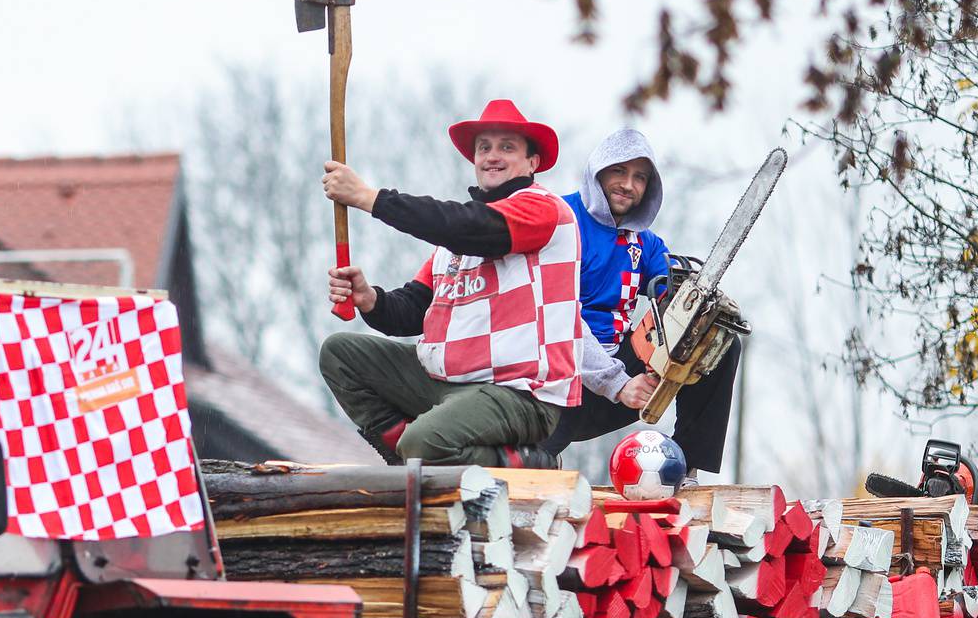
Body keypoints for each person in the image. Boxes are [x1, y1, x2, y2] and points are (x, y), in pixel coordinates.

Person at [316, 99, 626, 469]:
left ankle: (525, 462)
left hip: (520, 394)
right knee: (340, 354)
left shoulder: (544, 209)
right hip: (450, 387)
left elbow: (473, 228)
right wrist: (370, 299)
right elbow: (413, 310)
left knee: (424, 440)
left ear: (533, 162)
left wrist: (370, 198)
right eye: (484, 148)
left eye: (506, 147)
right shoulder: (454, 242)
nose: (492, 156)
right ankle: (410, 463)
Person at [539, 129, 739, 475]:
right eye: (619, 171)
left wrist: (695, 298)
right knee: (529, 465)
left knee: (715, 340)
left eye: (639, 177)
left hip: (622, 371)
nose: (628, 185)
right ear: (598, 171)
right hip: (558, 381)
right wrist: (617, 384)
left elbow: (671, 283)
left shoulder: (644, 243)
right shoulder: (561, 218)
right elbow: (558, 321)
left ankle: (689, 469)